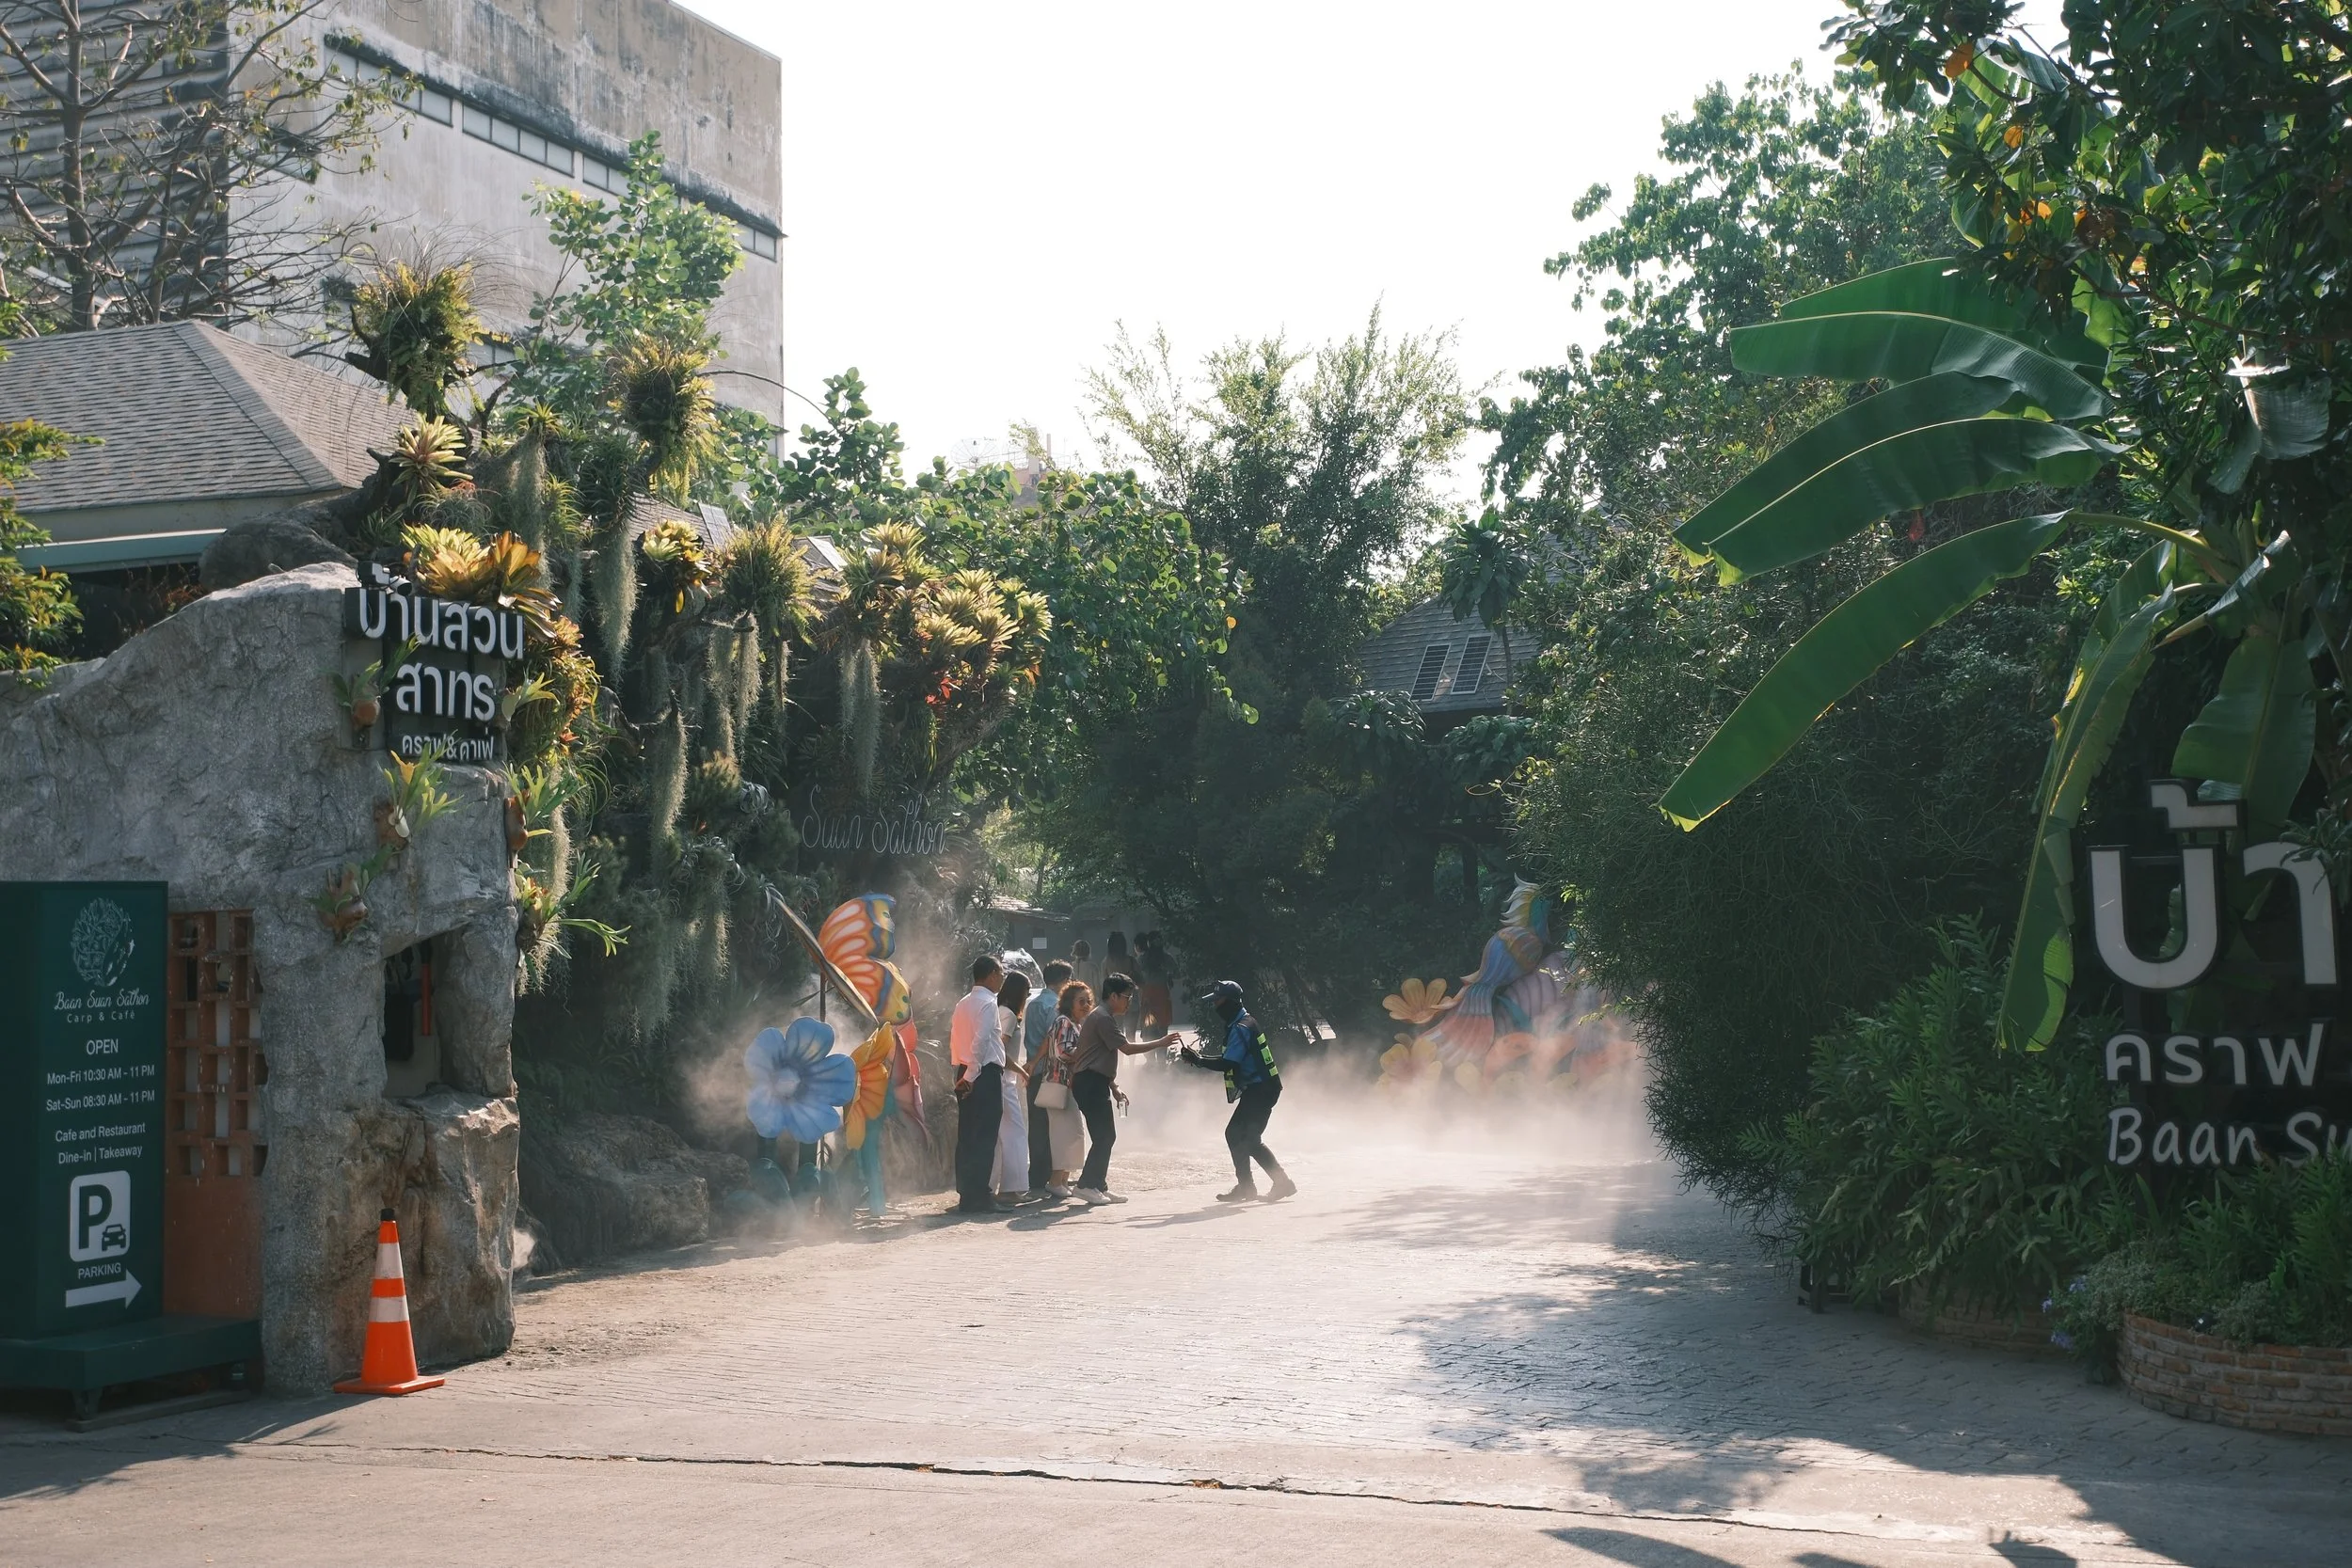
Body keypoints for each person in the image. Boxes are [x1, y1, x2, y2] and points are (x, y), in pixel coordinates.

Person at [1068, 973, 1181, 1206]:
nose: (1130, 1003)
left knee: (1105, 1136)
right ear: (1113, 996)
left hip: (1094, 1081)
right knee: (1105, 1136)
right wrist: (1160, 1042)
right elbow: (1127, 1049)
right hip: (1089, 1083)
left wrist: (1115, 1087)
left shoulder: (1102, 1017)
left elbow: (1100, 1057)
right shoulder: (1102, 1018)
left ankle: (1098, 1185)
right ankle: (1086, 1185)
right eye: (1127, 997)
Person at [1179, 979, 1295, 1203]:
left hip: (1262, 1089)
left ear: (1230, 1002)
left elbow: (1228, 1063)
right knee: (1238, 1135)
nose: (1215, 1007)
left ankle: (1276, 1184)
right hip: (1261, 1088)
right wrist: (1198, 1060)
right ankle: (1251, 1187)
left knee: (1246, 1138)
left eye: (1218, 1001)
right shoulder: (1243, 1021)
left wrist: (1199, 1060)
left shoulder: (1241, 1028)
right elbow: (1230, 1060)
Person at [948, 954, 1008, 1214]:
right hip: (981, 1073)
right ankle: (980, 1197)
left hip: (964, 1070)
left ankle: (967, 1194)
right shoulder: (988, 1003)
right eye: (1001, 972)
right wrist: (971, 1076)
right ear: (992, 973)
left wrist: (962, 1073)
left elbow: (956, 1039)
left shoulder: (963, 1003)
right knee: (984, 1136)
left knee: (967, 1135)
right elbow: (981, 1042)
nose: (1003, 977)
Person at [1038, 979, 1092, 1196]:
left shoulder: (1074, 1024)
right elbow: (1063, 1051)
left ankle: (1062, 1180)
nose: (1086, 1005)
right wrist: (1088, 1051)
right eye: (1081, 1001)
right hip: (1060, 1084)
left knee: (1072, 1133)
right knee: (1066, 1134)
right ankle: (1056, 1181)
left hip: (1066, 1085)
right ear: (1070, 1002)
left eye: (1088, 1001)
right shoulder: (1064, 1022)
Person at [1025, 959, 1073, 1192]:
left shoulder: (1033, 1004)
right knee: (1054, 1125)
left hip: (1034, 1071)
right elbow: (1053, 1040)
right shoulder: (1055, 1007)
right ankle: (1052, 1177)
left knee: (1037, 1125)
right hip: (1050, 1073)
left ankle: (1036, 1175)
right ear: (1064, 981)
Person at [993, 973, 1034, 1203]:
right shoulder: (1008, 1015)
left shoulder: (1000, 1011)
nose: (1027, 996)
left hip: (1003, 1080)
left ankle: (1010, 1188)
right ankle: (1011, 1189)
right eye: (1027, 992)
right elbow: (1000, 1051)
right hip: (1004, 1081)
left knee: (1007, 1135)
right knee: (1015, 1134)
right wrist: (1021, 1070)